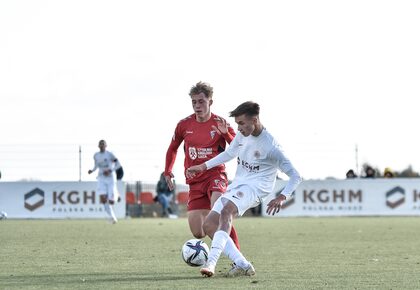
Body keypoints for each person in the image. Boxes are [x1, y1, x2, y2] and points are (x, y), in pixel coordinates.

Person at [186, 101, 302, 277]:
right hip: (239, 184)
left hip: (256, 188)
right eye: (237, 123)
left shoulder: (272, 146)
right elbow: (230, 153)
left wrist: (282, 197)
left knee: (226, 212)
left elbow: (295, 175)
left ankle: (211, 263)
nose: (238, 128)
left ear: (254, 120)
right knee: (209, 225)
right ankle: (243, 264)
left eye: (241, 123)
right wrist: (203, 166)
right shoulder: (243, 134)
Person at [164, 81, 241, 249]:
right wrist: (168, 171)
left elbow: (238, 147)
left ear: (210, 102)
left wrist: (226, 133)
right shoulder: (184, 125)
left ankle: (237, 257)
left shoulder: (221, 123)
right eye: (194, 102)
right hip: (194, 180)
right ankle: (211, 217)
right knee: (198, 232)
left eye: (201, 101)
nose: (197, 106)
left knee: (220, 212)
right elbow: (172, 148)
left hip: (215, 175)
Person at [88, 139, 119, 224]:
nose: (102, 146)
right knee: (103, 199)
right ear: (98, 146)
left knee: (112, 201)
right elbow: (96, 165)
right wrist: (92, 170)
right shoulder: (96, 155)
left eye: (103, 144)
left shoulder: (110, 154)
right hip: (101, 177)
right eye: (100, 144)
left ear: (106, 146)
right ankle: (113, 218)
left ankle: (116, 195)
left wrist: (110, 170)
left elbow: (118, 164)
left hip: (110, 178)